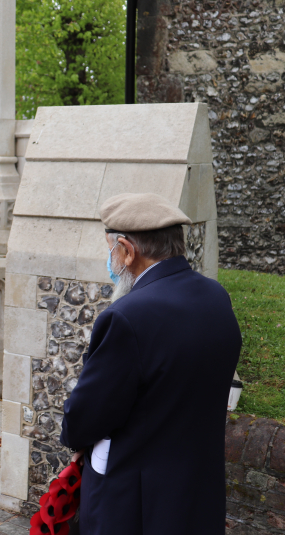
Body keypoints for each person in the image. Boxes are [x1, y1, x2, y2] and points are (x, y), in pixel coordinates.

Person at [59, 192, 241, 534]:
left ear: (128, 251)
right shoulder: (216, 296)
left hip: (135, 502)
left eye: (111, 249)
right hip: (197, 493)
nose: (111, 260)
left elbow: (87, 414)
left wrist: (76, 438)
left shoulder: (126, 316)